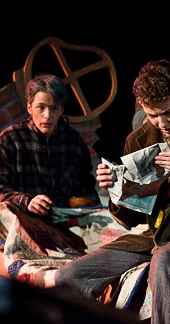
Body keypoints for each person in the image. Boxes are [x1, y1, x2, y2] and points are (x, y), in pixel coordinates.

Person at [55, 60, 170, 324]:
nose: (162, 122)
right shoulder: (139, 140)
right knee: (69, 276)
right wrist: (115, 189)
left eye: (168, 112)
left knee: (164, 261)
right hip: (154, 236)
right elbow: (131, 218)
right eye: (152, 115)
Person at [0, 73, 99, 254]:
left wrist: (87, 205)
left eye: (53, 108)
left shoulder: (73, 140)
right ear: (29, 107)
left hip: (65, 222)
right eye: (41, 107)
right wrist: (27, 201)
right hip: (25, 218)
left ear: (61, 109)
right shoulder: (9, 139)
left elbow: (86, 186)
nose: (47, 115)